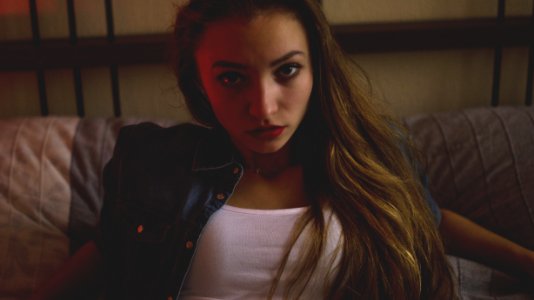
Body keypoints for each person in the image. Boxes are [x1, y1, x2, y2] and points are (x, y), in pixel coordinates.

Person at [31, 0, 534, 299]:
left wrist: (524, 260)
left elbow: (427, 219)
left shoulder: (369, 158)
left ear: (316, 68)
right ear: (199, 83)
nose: (263, 107)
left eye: (287, 70)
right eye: (231, 78)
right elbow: (105, 252)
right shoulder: (153, 162)